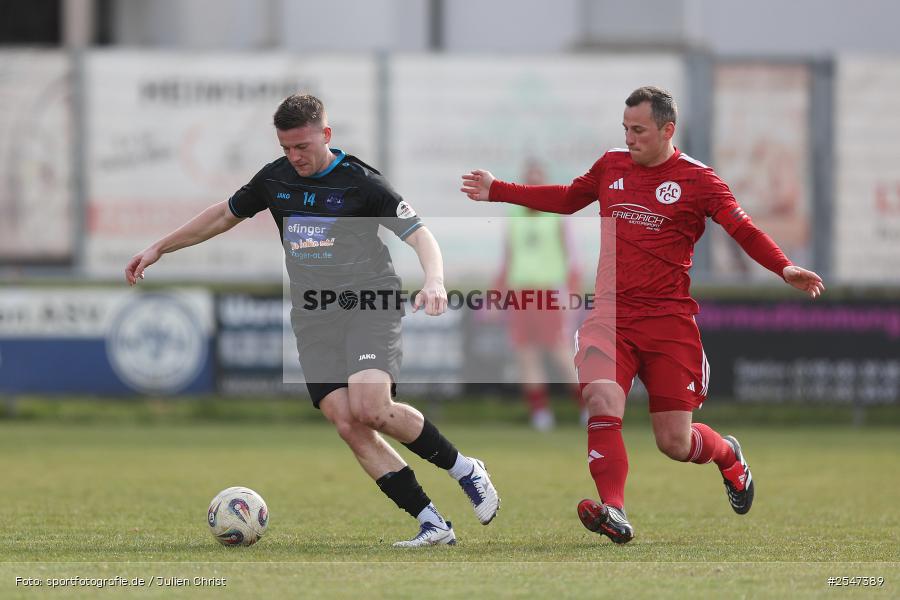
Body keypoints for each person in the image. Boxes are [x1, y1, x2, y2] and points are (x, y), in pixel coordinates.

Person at [126, 93, 499, 548]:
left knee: (371, 409)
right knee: (347, 421)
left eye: (302, 146)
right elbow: (223, 215)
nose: (294, 157)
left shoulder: (362, 183)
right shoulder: (274, 178)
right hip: (314, 315)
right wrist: (159, 247)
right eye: (286, 148)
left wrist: (435, 281)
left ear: (326, 134)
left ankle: (465, 468)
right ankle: (432, 522)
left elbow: (419, 233)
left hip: (369, 302)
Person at [460, 86, 824, 544]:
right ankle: (614, 508)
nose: (629, 139)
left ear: (668, 130)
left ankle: (727, 454)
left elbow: (742, 228)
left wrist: (783, 266)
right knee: (601, 400)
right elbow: (569, 197)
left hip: (669, 324)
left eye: (639, 130)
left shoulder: (699, 180)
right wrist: (499, 191)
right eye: (625, 129)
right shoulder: (611, 165)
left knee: (675, 442)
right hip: (611, 318)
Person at [498, 159, 586, 430]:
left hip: (548, 292)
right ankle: (540, 413)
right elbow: (509, 256)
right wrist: (498, 291)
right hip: (521, 292)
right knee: (526, 354)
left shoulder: (556, 216)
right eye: (530, 182)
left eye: (538, 182)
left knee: (560, 352)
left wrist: (573, 291)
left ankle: (587, 408)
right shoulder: (514, 216)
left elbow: (571, 257)